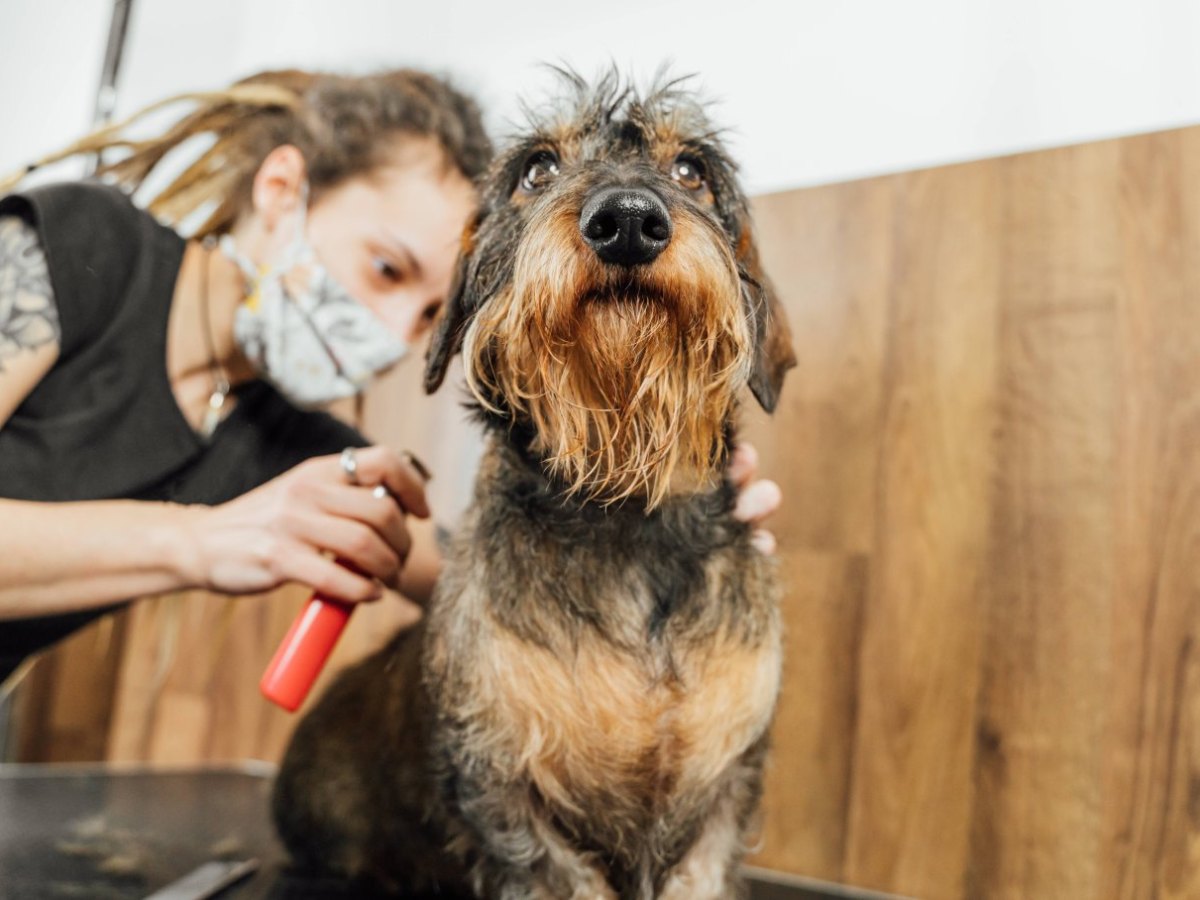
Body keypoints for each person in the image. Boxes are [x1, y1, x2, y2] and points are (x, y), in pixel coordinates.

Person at [0, 67, 782, 686]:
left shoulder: (289, 446)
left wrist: (683, 527)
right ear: (281, 190)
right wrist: (200, 541)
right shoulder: (78, 248)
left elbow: (475, 581)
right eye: (385, 269)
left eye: (427, 312)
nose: (390, 333)